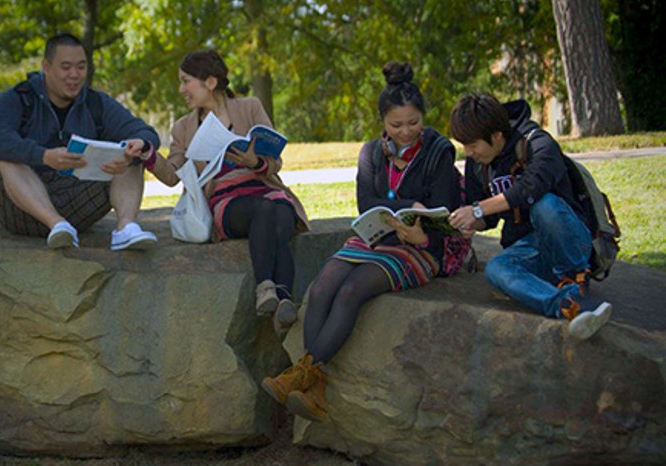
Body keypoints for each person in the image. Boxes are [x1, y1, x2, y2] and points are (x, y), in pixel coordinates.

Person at [260, 62, 464, 421]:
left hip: (420, 245)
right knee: (323, 287)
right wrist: (405, 207)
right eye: (396, 125)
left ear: (424, 118)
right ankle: (314, 383)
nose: (406, 132)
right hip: (376, 236)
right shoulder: (371, 152)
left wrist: (419, 226)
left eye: (413, 123)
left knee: (352, 290)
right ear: (383, 122)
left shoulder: (439, 150)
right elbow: (366, 204)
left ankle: (302, 377)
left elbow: (444, 210)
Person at [139, 50, 309, 332]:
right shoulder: (183, 127)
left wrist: (254, 162)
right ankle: (269, 289)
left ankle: (279, 301)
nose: (181, 90)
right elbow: (172, 175)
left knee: (281, 213)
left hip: (263, 187)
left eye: (186, 81)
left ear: (210, 82)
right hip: (227, 200)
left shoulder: (250, 107)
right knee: (265, 211)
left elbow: (275, 161)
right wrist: (149, 157)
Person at [447, 93, 612, 340]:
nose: (468, 152)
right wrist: (472, 222)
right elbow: (487, 218)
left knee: (544, 205)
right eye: (464, 145)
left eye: (472, 144)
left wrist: (479, 209)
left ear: (496, 136)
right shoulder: (477, 163)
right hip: (529, 247)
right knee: (497, 268)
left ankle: (576, 279)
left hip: (569, 239)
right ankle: (566, 305)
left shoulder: (538, 142)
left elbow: (531, 188)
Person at [0, 32, 159, 251]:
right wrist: (44, 156)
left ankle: (126, 228)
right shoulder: (18, 98)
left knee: (132, 155)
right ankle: (56, 224)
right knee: (6, 155)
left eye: (81, 67)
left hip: (78, 206)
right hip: (20, 210)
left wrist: (140, 144)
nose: (74, 75)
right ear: (46, 66)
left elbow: (145, 132)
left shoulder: (96, 102)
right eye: (65, 67)